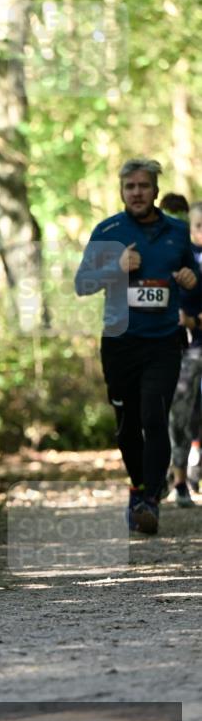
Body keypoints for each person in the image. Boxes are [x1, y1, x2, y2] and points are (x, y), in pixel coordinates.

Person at [75, 158, 198, 535]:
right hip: (119, 342)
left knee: (153, 415)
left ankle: (148, 501)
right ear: (122, 190)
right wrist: (116, 266)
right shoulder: (108, 230)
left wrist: (193, 280)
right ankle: (140, 485)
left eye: (144, 186)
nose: (138, 193)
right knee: (127, 425)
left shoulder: (179, 232)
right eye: (131, 187)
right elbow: (83, 284)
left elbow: (197, 278)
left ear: (156, 190)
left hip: (163, 341)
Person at [167, 200, 202, 507]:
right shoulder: (178, 256)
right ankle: (177, 477)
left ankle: (185, 475)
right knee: (177, 413)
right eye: (198, 226)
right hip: (177, 347)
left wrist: (194, 319)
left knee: (189, 412)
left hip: (194, 346)